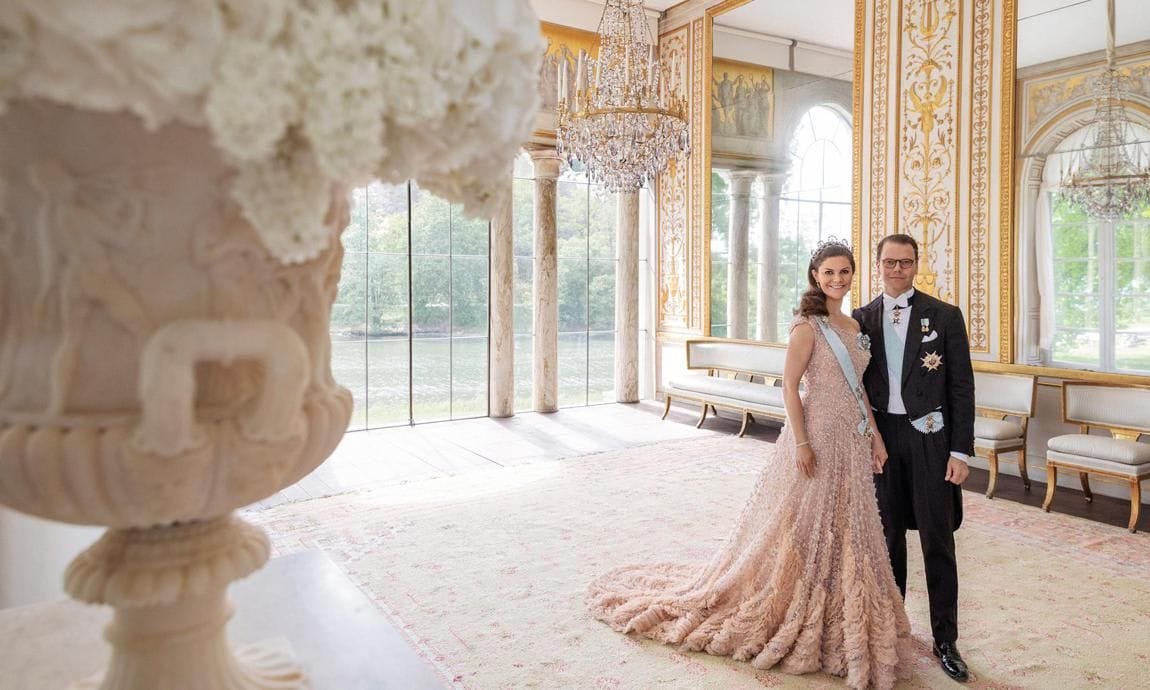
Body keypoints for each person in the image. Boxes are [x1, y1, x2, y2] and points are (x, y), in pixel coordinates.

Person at [588, 240, 913, 690]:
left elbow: (859, 391)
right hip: (816, 436)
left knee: (847, 525)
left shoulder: (853, 323)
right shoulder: (808, 327)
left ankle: (839, 601)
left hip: (852, 441)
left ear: (853, 275)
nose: (837, 280)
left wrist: (875, 438)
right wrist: (801, 442)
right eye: (829, 273)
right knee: (802, 523)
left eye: (845, 272)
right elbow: (790, 389)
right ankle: (795, 601)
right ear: (815, 277)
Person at [852, 233, 975, 683]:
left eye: (905, 263)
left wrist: (960, 450)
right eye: (889, 262)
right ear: (878, 264)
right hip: (882, 440)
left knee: (937, 540)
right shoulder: (860, 319)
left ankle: (946, 639)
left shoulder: (944, 316)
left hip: (931, 439)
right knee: (887, 541)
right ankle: (893, 631)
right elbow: (854, 387)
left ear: (917, 265)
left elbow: (961, 386)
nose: (897, 270)